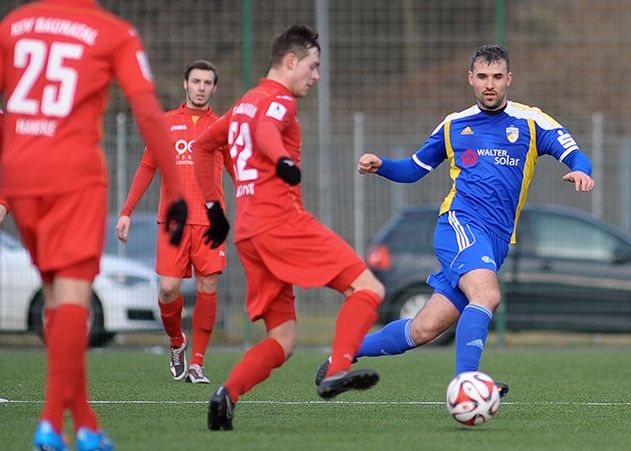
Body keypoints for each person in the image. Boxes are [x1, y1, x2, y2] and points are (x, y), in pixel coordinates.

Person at [315, 44, 595, 395]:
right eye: (482, 77)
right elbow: (414, 169)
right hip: (460, 224)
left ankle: (339, 358)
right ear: (470, 79)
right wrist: (382, 165)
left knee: (423, 330)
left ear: (509, 79)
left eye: (496, 77)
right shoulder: (454, 124)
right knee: (487, 295)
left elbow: (574, 153)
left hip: (496, 240)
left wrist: (581, 171)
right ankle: (467, 384)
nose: (489, 84)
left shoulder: (531, 121)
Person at [0, 1, 188, 450]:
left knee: (56, 302)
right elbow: (148, 113)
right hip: (74, 177)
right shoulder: (112, 33)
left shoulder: (13, 25)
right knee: (73, 302)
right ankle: (49, 422)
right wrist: (177, 190)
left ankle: (85, 426)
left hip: (19, 176)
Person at [193, 24, 385, 431]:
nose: (316, 76)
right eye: (313, 66)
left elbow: (203, 144)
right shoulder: (279, 100)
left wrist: (215, 207)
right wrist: (282, 160)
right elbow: (267, 131)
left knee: (283, 340)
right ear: (291, 61)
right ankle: (337, 369)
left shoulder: (245, 102)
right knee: (369, 288)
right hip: (280, 222)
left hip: (248, 232)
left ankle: (226, 395)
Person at [115, 60, 227, 384]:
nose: (201, 87)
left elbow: (236, 170)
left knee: (208, 286)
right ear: (185, 84)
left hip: (209, 223)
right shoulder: (165, 123)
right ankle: (177, 342)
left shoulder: (221, 127)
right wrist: (127, 211)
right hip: (174, 223)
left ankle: (198, 363)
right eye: (196, 81)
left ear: (214, 88)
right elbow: (147, 167)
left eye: (207, 82)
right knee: (167, 289)